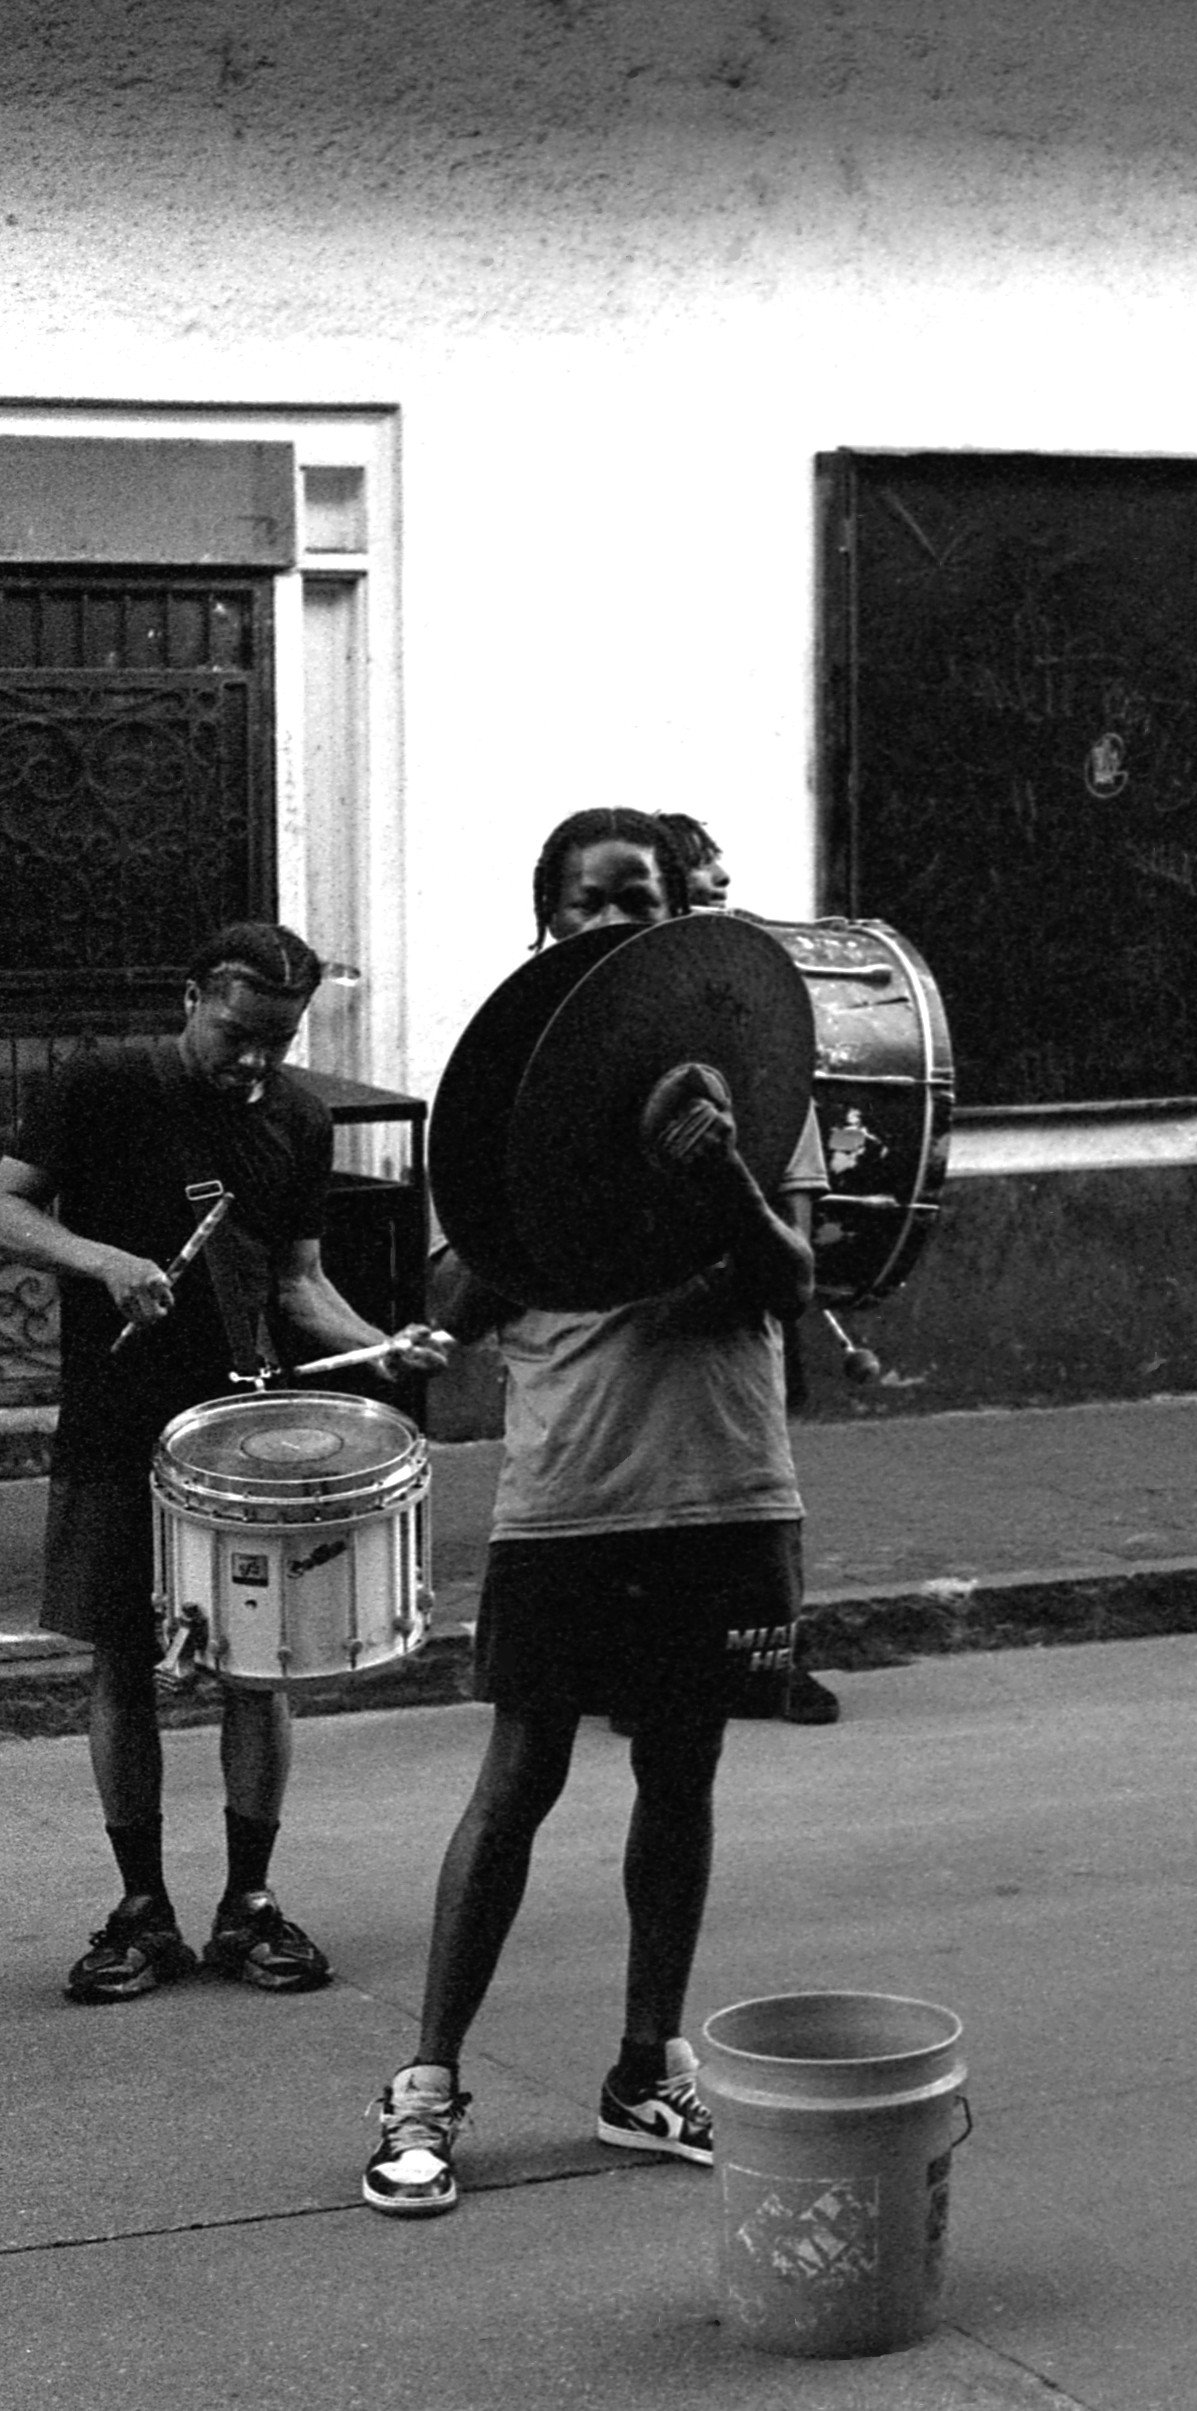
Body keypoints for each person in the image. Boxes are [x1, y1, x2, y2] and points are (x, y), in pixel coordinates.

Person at [363, 805, 825, 2218]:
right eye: (588, 901)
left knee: (678, 1776)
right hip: (568, 1494)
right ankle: (426, 2085)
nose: (614, 918)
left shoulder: (746, 1065)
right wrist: (550, 1197)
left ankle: (644, 2067)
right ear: (546, 920)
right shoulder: (507, 1086)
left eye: (643, 896)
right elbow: (446, 1298)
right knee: (519, 1777)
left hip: (723, 1479)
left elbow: (790, 1278)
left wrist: (719, 1170)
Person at [0, 924, 447, 2003]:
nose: (255, 1061)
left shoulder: (294, 1115)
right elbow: (5, 1202)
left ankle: (248, 1901)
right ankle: (140, 1908)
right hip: (118, 1414)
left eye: (278, 1041)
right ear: (192, 994)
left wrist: (382, 1345)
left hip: (243, 1422)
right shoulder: (103, 1083)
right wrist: (101, 1259)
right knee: (120, 1660)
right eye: (238, 1034)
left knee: (261, 1660)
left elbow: (300, 1280)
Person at [655, 806, 840, 1729]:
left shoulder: (760, 1052)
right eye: (701, 894)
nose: (723, 909)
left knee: (753, 1489)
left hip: (727, 1326)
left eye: (724, 892)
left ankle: (772, 1656)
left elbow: (792, 1239)